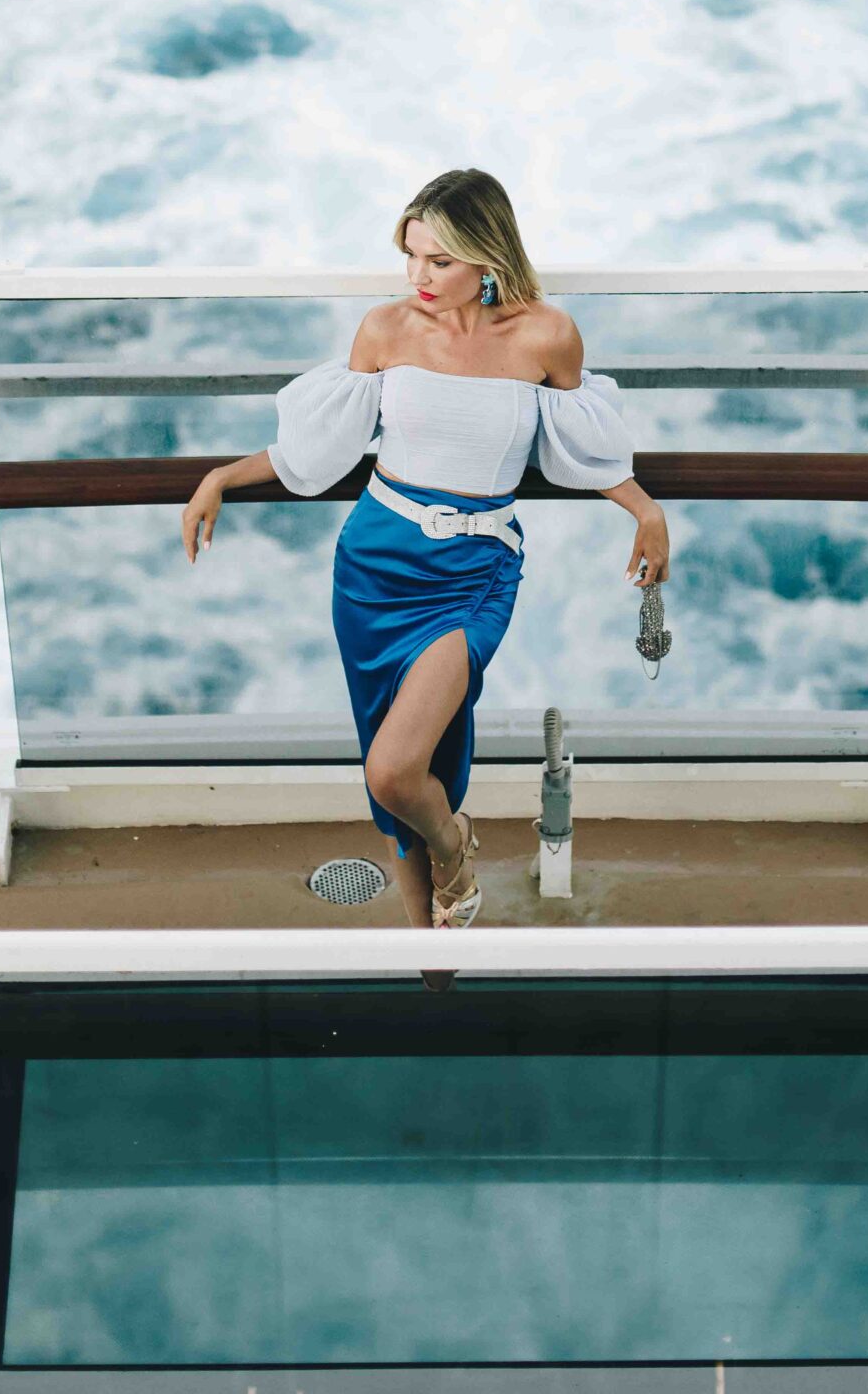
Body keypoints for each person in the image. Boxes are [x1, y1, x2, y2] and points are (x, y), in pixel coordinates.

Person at [180, 167, 672, 929]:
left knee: (398, 769)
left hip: (473, 575)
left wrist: (644, 509)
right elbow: (321, 449)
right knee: (386, 755)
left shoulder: (546, 335)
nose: (419, 277)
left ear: (487, 256)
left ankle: (453, 847)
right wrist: (222, 475)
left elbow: (583, 452)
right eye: (410, 256)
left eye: (439, 260)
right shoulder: (386, 329)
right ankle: (430, 954)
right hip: (373, 564)